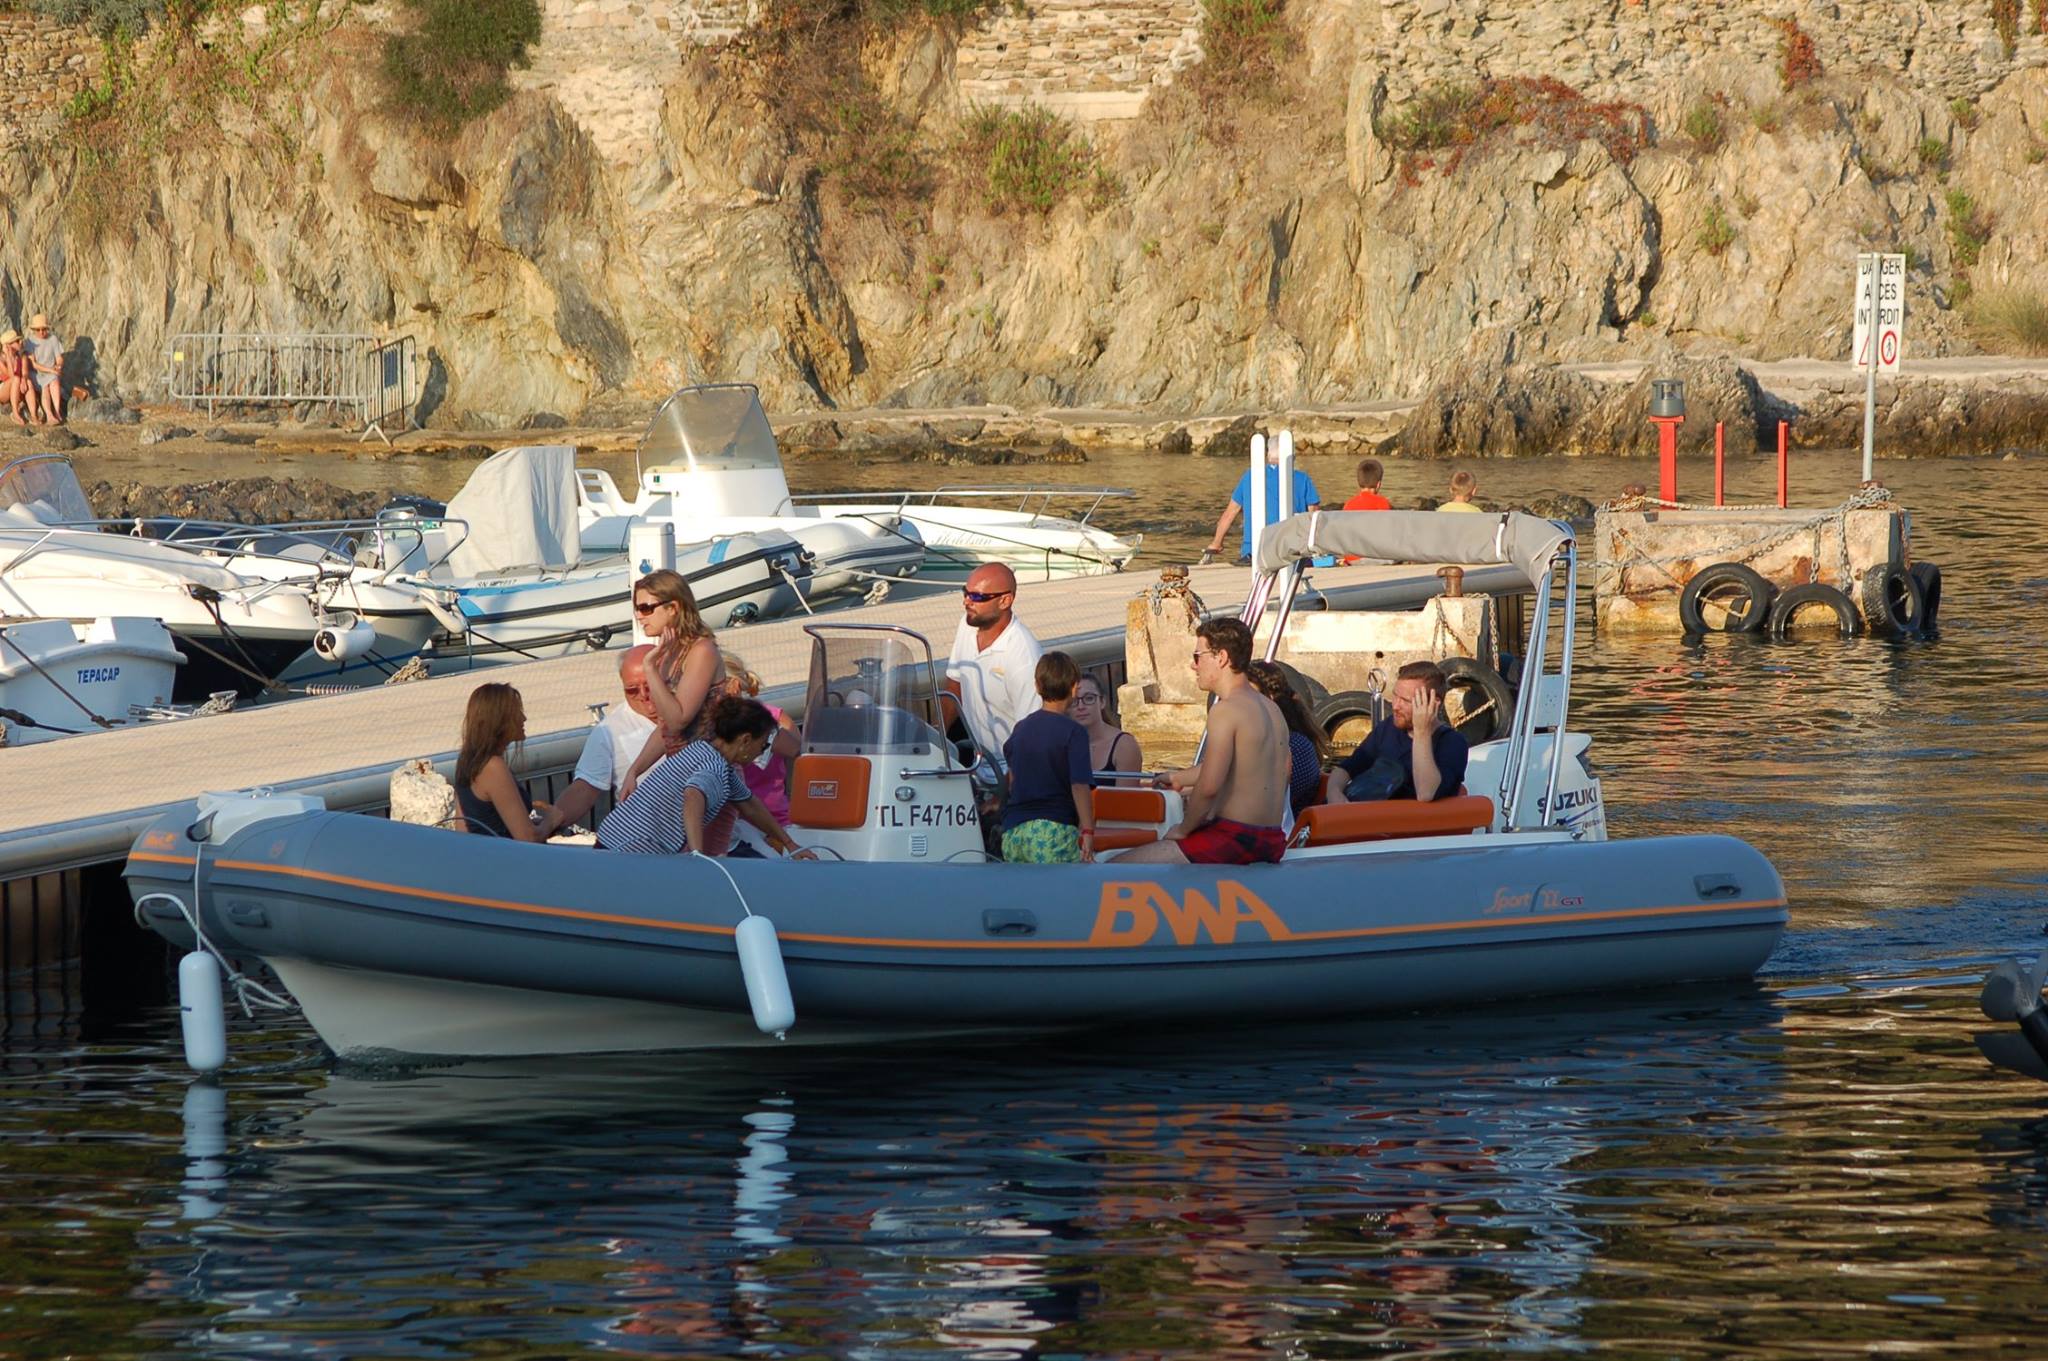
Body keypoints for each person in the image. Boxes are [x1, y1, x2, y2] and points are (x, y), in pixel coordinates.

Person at [1114, 618, 1290, 865]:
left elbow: (1209, 787)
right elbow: (1256, 768)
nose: (1193, 665)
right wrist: (1179, 778)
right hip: (1272, 840)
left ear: (1221, 658)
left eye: (1197, 656)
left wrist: (1183, 829)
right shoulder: (1272, 710)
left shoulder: (1226, 710)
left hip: (1235, 839)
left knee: (1117, 866)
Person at [596, 695, 805, 857]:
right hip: (628, 849)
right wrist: (698, 855)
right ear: (745, 741)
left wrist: (790, 844)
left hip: (612, 838)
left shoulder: (706, 753)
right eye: (763, 745)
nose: (761, 752)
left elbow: (749, 804)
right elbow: (693, 795)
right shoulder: (715, 767)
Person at [617, 569, 727, 801]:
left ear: (673, 608)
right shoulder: (668, 655)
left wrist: (649, 667)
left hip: (711, 775)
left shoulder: (702, 650)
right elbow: (665, 728)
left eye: (646, 608)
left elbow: (679, 720)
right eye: (636, 608)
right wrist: (634, 771)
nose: (639, 616)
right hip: (683, 774)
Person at [540, 644, 660, 836]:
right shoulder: (610, 730)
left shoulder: (695, 709)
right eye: (632, 690)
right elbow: (585, 789)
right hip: (646, 838)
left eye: (650, 685)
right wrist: (547, 826)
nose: (643, 695)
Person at [999, 651, 1097, 864]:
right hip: (1052, 830)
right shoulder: (1074, 732)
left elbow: (1012, 779)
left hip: (1014, 833)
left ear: (1037, 686)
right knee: (1065, 885)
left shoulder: (1020, 728)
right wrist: (1088, 831)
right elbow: (1079, 785)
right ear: (1074, 687)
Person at [1323, 660, 1469, 804]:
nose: (1395, 706)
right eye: (1395, 696)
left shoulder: (1453, 743)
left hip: (1409, 818)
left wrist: (1421, 732)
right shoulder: (1388, 728)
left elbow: (1425, 793)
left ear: (1432, 703)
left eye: (1405, 700)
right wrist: (1334, 792)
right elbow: (1347, 768)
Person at [944, 562, 1042, 766]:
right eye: (965, 592)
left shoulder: (1025, 658)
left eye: (977, 597)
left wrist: (1008, 783)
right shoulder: (967, 624)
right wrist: (937, 737)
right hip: (978, 762)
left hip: (1011, 767)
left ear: (1005, 601)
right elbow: (955, 684)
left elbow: (1032, 736)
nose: (966, 602)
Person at [720, 650, 801, 857]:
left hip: (771, 820)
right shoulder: (713, 723)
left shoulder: (766, 720)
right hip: (736, 824)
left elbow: (798, 755)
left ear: (733, 686)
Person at [453, 682, 552, 842]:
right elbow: (527, 838)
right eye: (517, 712)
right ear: (500, 720)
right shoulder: (493, 767)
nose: (523, 718)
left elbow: (464, 828)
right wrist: (552, 819)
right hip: (506, 855)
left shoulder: (467, 761)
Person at [1206, 440, 1320, 563]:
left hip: (1254, 552)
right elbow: (1314, 518)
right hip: (1293, 553)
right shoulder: (1302, 478)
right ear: (1292, 457)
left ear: (1268, 456)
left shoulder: (1249, 476)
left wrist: (1216, 543)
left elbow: (1229, 514)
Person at [1245, 661, 1329, 815]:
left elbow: (1265, 801)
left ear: (1269, 700)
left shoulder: (1296, 746)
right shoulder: (1255, 742)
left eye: (1248, 697)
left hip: (1281, 826)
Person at [1071, 673, 1142, 779]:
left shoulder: (1124, 745)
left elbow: (1126, 790)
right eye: (1073, 701)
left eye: (1089, 698)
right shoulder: (1062, 745)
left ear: (1102, 702)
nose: (1081, 706)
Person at [24, 315, 62, 426]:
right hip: (36, 373)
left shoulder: (53, 339)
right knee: (45, 386)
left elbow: (59, 358)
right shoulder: (30, 342)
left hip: (50, 372)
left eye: (44, 329)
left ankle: (57, 411)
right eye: (38, 330)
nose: (41, 332)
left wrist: (58, 365)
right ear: (34, 330)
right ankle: (49, 415)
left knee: (54, 381)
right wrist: (51, 370)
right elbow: (34, 365)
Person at [0, 331, 30, 428]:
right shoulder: (1, 359)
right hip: (3, 389)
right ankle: (15, 412)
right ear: (8, 345)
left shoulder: (19, 356)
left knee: (28, 381)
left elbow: (25, 373)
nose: (20, 342)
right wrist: (8, 356)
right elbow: (11, 376)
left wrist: (24, 380)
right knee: (16, 379)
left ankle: (34, 414)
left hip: (15, 388)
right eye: (17, 341)